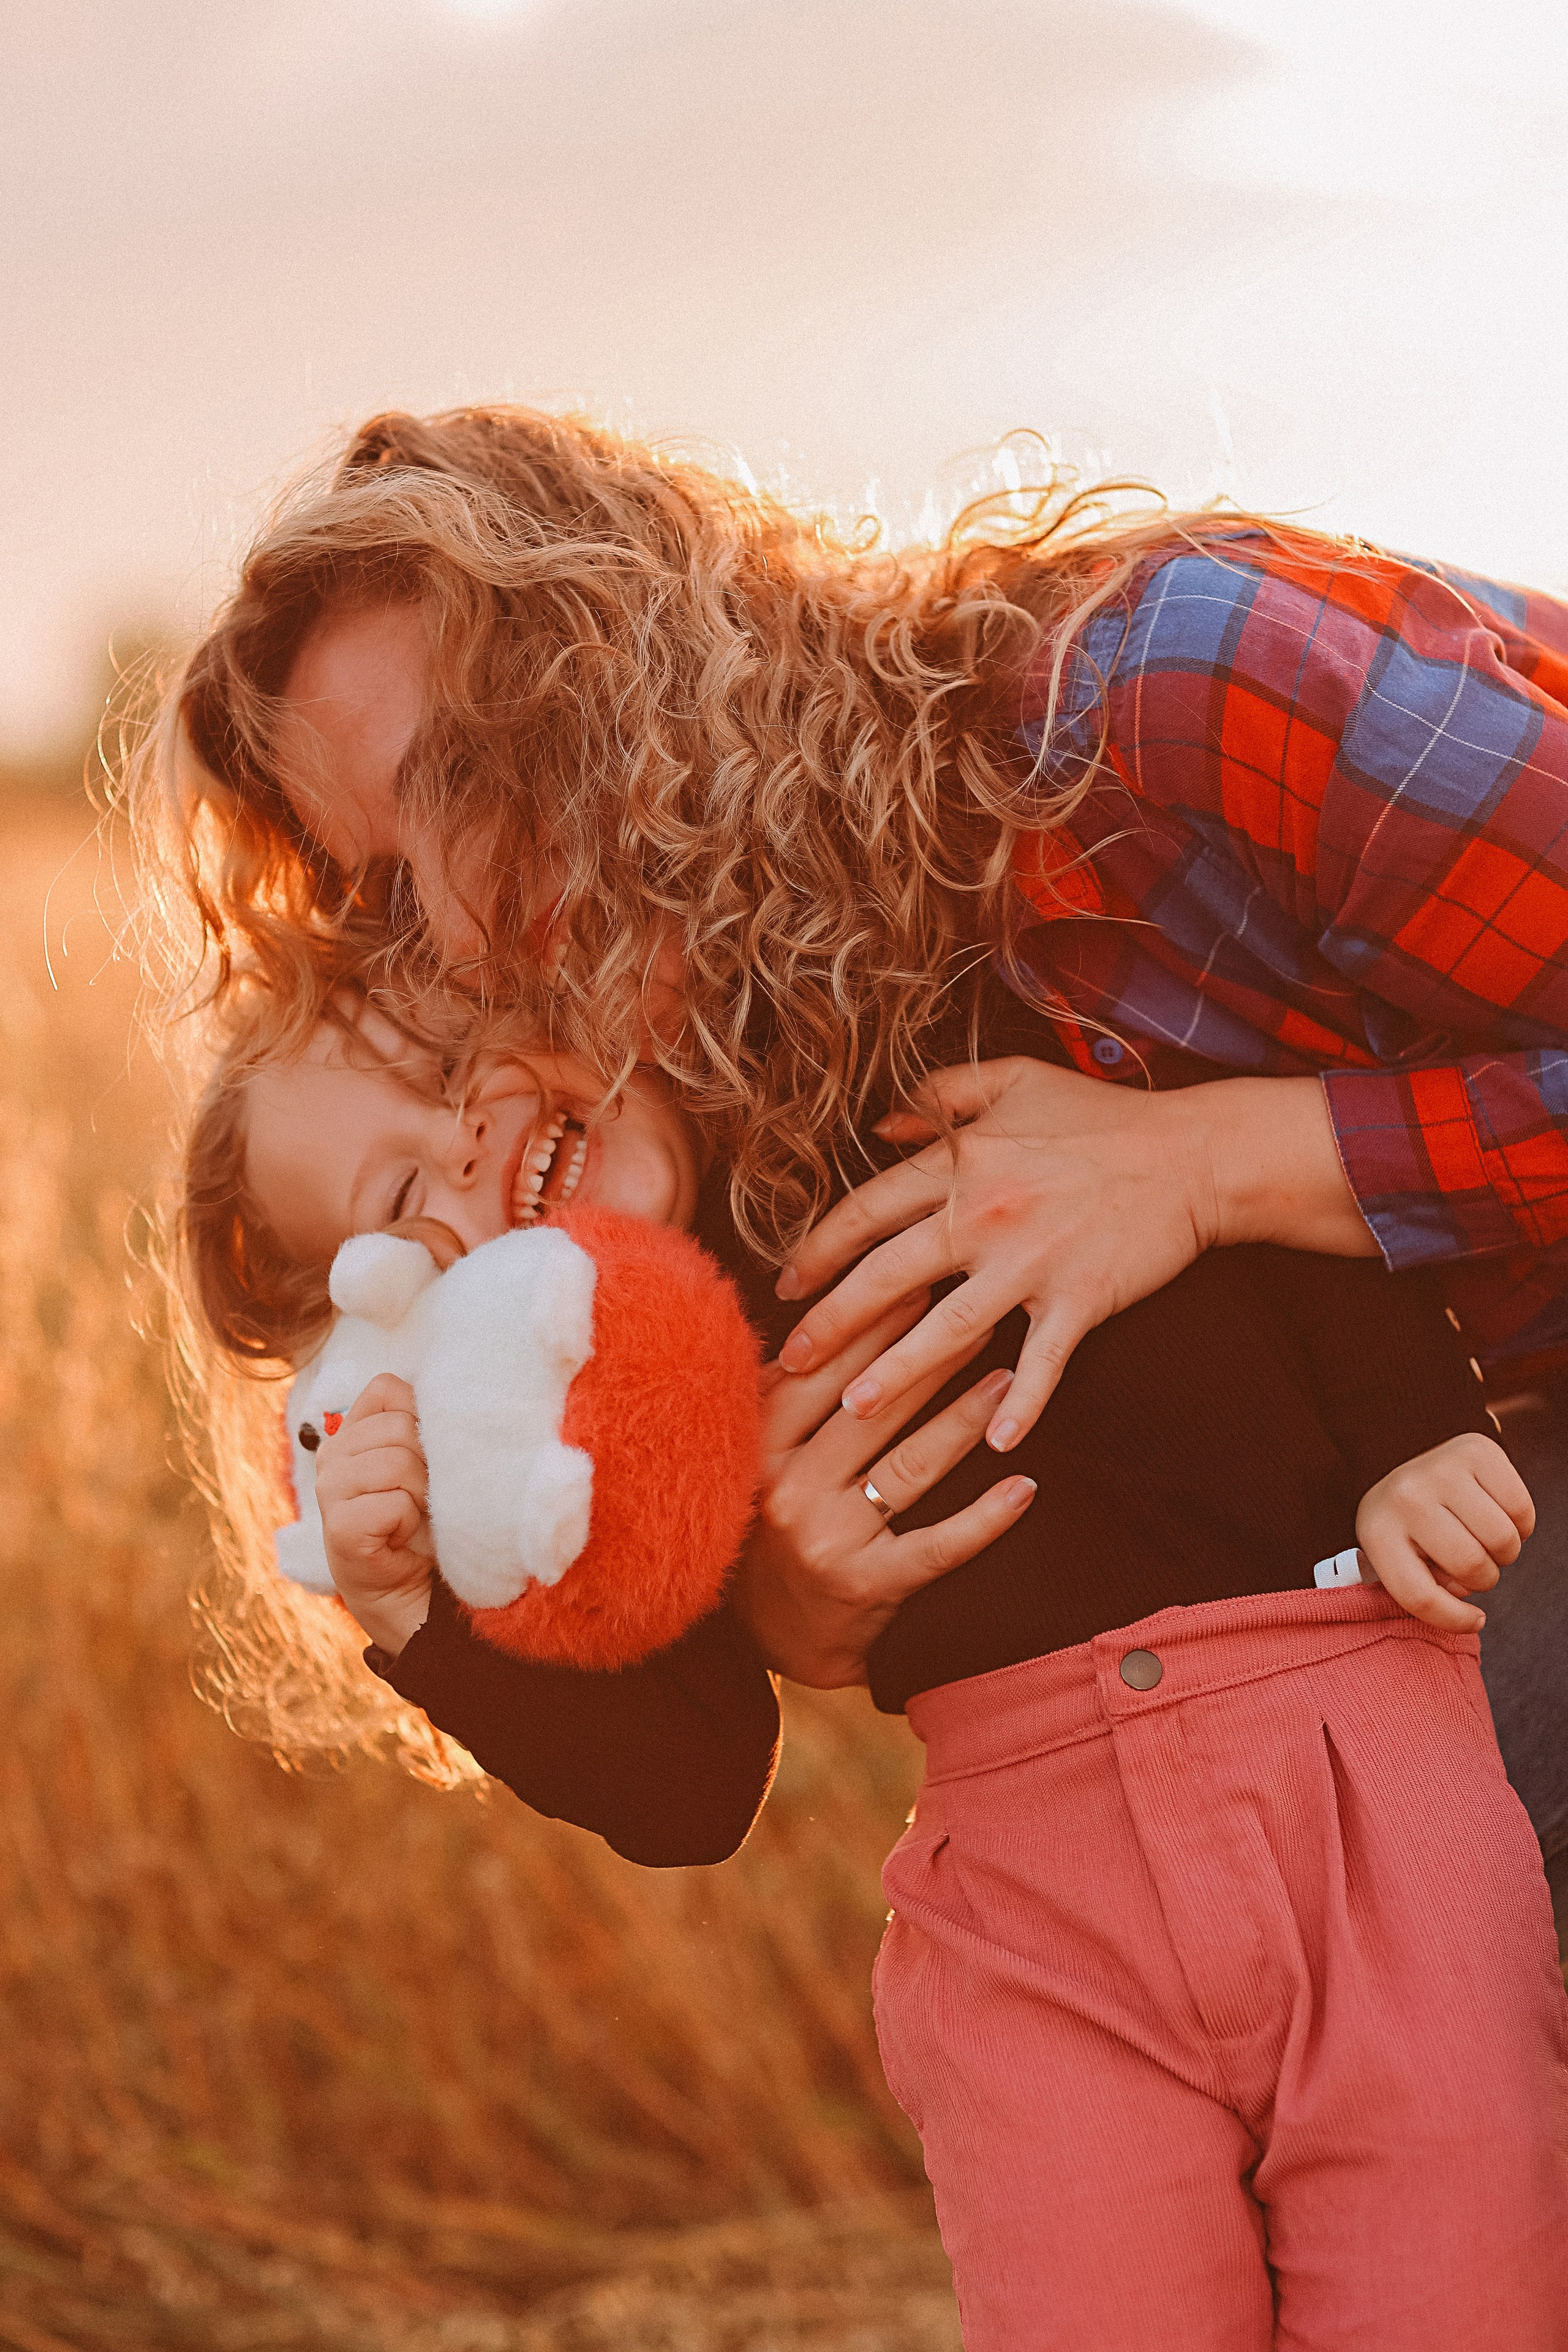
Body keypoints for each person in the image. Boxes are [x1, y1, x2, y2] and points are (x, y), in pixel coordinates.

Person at [130, 407, 1568, 1830]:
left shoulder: (1186, 688)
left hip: (1488, 1458)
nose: (452, 930)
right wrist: (770, 1596)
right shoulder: (729, 1069)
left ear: (638, 658)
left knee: (1421, 1794)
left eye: (468, 777)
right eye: (389, 887)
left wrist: (1212, 1166)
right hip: (1475, 1447)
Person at [178, 984, 1567, 2348]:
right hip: (1037, 1920)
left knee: (1455, 2280)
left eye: (442, 1055)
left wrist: (1413, 1430)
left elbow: (1217, 1166)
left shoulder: (870, 1038)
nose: (465, 1138)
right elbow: (686, 1790)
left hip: (1355, 1771)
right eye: (406, 1200)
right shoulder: (624, 1436)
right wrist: (410, 1607)